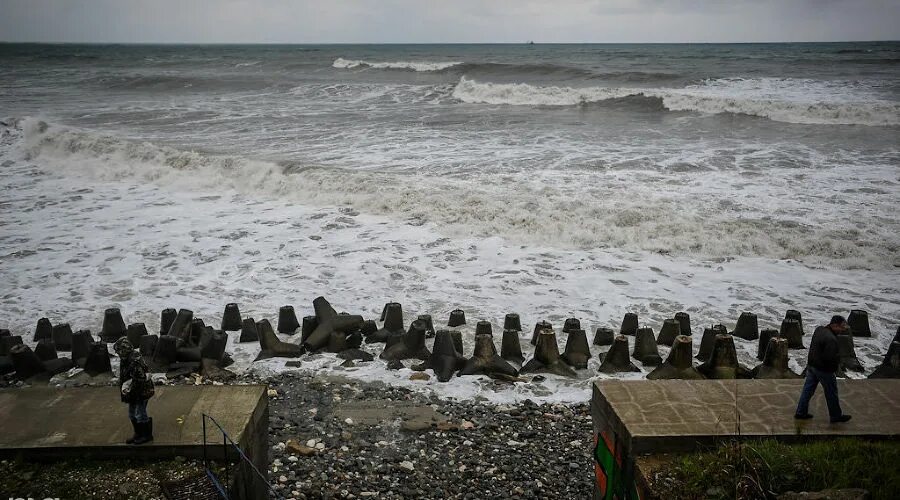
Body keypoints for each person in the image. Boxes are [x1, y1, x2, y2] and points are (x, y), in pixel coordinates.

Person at [794, 315, 852, 423]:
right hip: (823, 369)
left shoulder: (819, 330)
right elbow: (830, 358)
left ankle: (800, 412)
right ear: (834, 325)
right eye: (842, 327)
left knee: (807, 391)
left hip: (812, 365)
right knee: (831, 392)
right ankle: (835, 416)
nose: (843, 329)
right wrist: (834, 369)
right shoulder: (831, 339)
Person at [114, 338, 155, 444]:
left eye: (118, 351)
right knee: (132, 414)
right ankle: (138, 434)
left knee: (140, 413)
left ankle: (146, 435)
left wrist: (128, 388)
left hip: (141, 391)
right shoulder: (126, 359)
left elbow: (140, 379)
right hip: (132, 391)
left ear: (123, 350)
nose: (117, 354)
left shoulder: (134, 361)